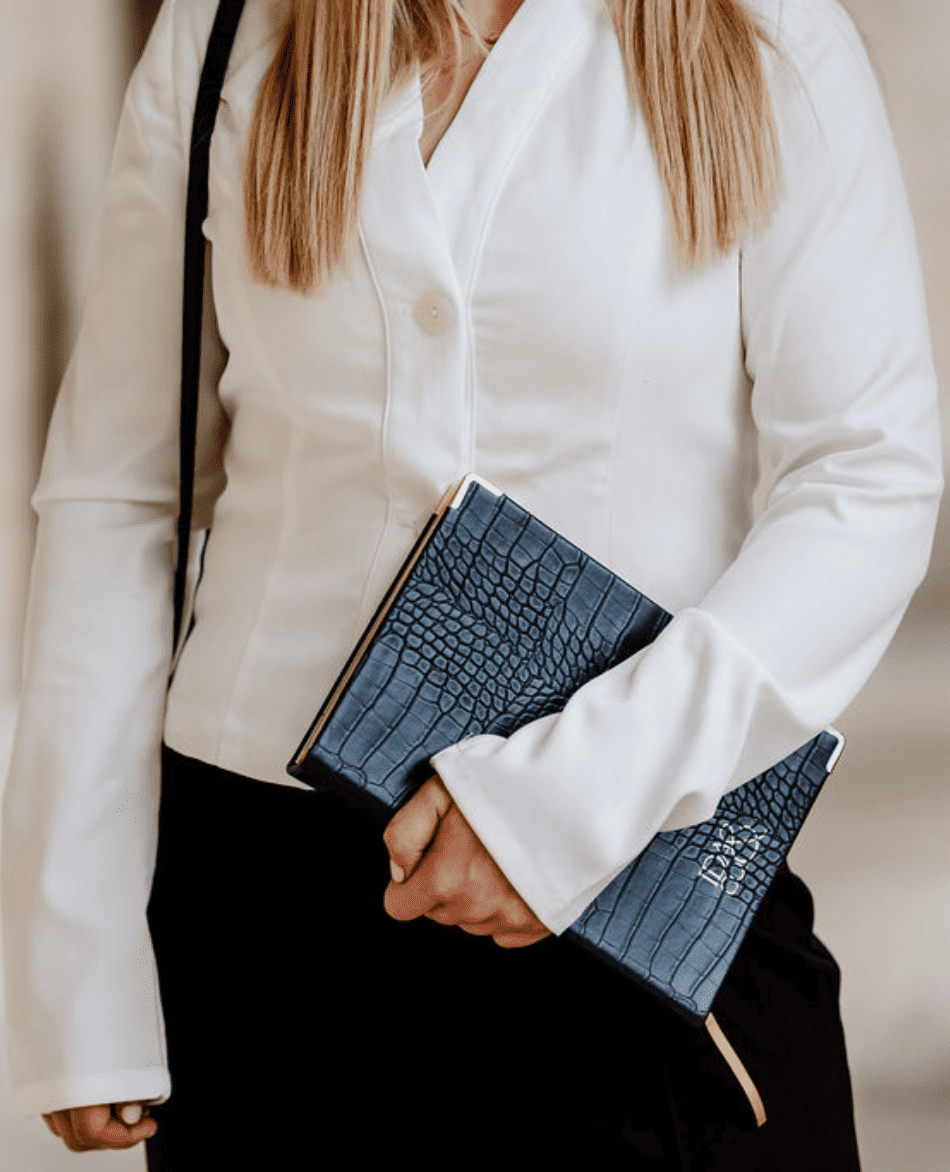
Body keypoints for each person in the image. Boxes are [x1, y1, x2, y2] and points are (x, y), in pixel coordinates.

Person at [1, 0, 942, 1167]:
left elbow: (866, 475)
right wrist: (77, 957)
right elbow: (118, 493)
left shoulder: (764, 32)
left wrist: (564, 800)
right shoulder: (228, 30)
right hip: (267, 947)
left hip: (632, 893)